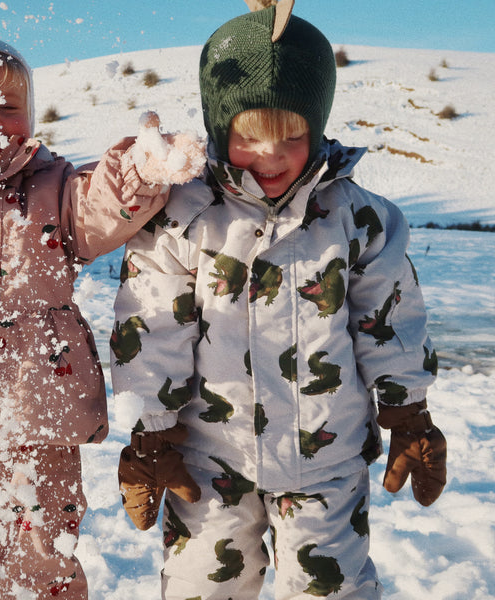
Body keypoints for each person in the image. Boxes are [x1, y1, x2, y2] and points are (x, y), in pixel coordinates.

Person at [111, 4, 447, 599]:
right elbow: (152, 320)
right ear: (220, 128)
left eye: (292, 137)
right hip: (211, 461)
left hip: (327, 460)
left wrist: (407, 409)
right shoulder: (185, 217)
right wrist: (151, 432)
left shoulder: (357, 216)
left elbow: (389, 317)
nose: (270, 157)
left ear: (317, 126)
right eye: (249, 138)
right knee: (200, 588)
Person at [0, 33, 203, 599]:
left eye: (10, 106)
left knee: (41, 561)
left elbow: (102, 207)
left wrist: (144, 166)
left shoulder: (52, 185)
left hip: (35, 416)